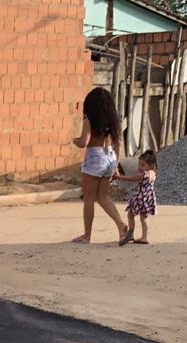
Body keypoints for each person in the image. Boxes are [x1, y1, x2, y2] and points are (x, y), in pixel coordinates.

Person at [70, 87, 129, 244]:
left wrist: (73, 140)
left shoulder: (89, 119)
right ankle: (121, 226)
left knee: (89, 197)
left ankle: (87, 235)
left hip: (94, 157)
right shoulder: (112, 121)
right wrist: (115, 164)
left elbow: (84, 142)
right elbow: (118, 144)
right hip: (109, 157)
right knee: (103, 196)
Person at [115, 150, 158, 246]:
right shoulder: (152, 173)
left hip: (141, 197)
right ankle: (142, 237)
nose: (140, 167)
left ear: (150, 165)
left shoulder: (146, 174)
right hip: (146, 198)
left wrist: (119, 177)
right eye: (139, 164)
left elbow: (133, 178)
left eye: (143, 165)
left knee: (131, 215)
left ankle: (132, 234)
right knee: (142, 218)